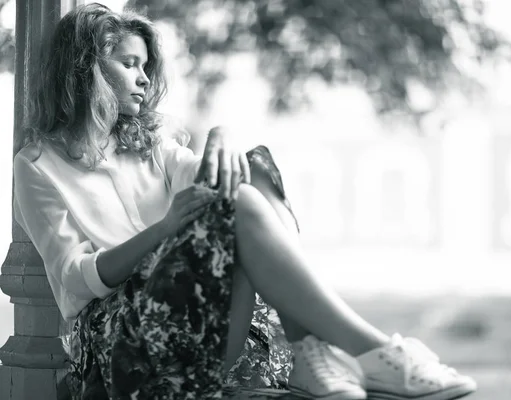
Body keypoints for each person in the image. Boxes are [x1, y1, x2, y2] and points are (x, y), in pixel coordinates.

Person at [14, 3, 477, 400]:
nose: (143, 77)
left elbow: (224, 179)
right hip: (125, 341)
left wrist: (223, 134)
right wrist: (164, 228)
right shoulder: (38, 163)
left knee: (252, 167)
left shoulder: (150, 144)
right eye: (130, 63)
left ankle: (311, 351)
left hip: (200, 314)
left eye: (146, 66)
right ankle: (367, 350)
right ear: (89, 67)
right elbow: (75, 278)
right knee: (237, 200)